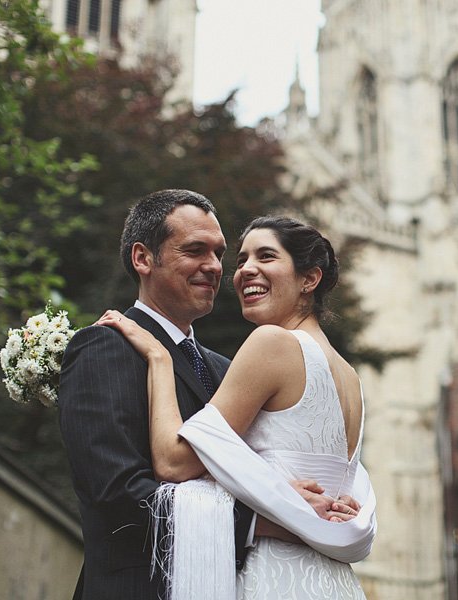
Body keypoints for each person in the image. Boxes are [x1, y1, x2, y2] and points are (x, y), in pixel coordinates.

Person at [59, 192, 367, 600]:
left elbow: (238, 475)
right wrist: (270, 518)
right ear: (143, 258)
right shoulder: (105, 347)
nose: (216, 267)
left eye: (220, 253)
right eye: (195, 250)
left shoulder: (229, 368)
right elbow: (117, 496)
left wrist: (285, 502)